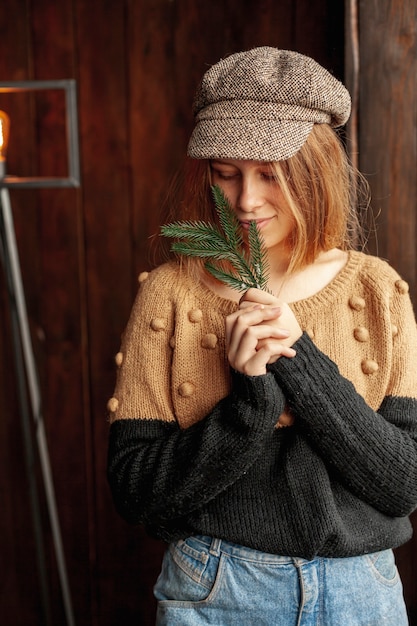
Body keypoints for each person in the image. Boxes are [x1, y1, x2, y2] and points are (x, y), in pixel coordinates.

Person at [107, 47, 417, 625]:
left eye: (270, 175)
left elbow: (403, 485)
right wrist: (249, 402)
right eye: (226, 174)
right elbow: (137, 493)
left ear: (316, 170)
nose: (246, 201)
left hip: (360, 592)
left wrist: (299, 362)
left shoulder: (377, 291)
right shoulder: (171, 294)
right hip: (216, 586)